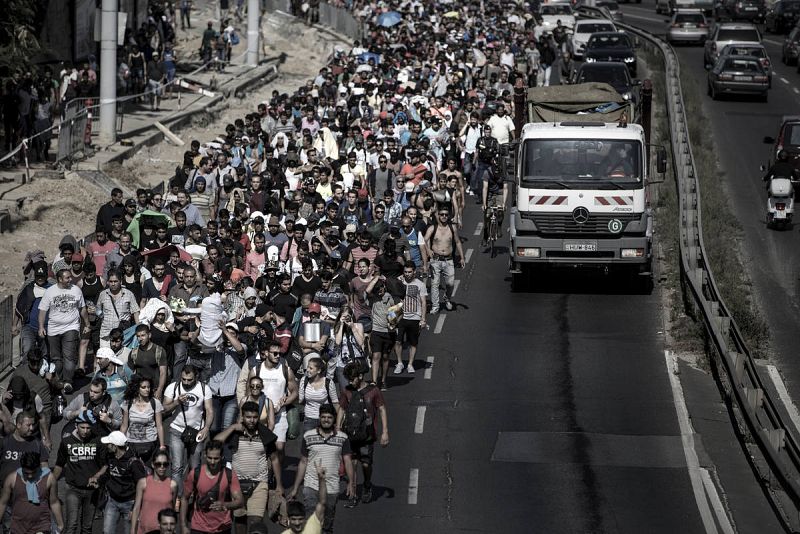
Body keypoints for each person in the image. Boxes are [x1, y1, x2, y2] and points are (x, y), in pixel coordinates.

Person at [215, 402, 281, 534]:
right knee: (240, 522)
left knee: (256, 523)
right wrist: (233, 427)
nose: (252, 420)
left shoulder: (265, 435)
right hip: (237, 484)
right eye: (248, 417)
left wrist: (279, 485)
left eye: (255, 417)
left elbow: (274, 459)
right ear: (242, 416)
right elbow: (215, 442)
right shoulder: (235, 434)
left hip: (260, 484)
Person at [288, 404, 353, 532]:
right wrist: (295, 488)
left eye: (329, 417)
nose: (326, 420)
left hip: (332, 486)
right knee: (312, 520)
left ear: (334, 419)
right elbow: (303, 462)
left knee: (327, 523)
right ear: (319, 418)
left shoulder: (343, 438)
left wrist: (351, 483)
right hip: (311, 485)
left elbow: (347, 461)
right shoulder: (308, 436)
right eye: (323, 417)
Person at [163, 364, 214, 493]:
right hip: (177, 430)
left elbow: (209, 410)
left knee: (195, 467)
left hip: (197, 431)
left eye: (189, 380)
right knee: (176, 468)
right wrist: (176, 402)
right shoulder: (173, 387)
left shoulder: (204, 388)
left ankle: (193, 495)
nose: (186, 382)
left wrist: (206, 428)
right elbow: (164, 409)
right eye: (183, 379)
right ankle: (178, 497)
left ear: (196, 377)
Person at [246, 340, 298, 458]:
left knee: (279, 448)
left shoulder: (286, 370)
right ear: (266, 353)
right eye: (275, 353)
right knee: (261, 449)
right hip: (260, 416)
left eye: (279, 353)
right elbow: (248, 394)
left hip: (280, 414)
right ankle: (266, 469)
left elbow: (295, 393)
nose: (278, 356)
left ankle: (277, 469)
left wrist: (282, 404)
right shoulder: (256, 371)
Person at [53, 411, 103, 534]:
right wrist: (51, 483)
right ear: (76, 426)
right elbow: (59, 465)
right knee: (71, 525)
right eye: (82, 427)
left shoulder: (98, 441)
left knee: (87, 527)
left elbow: (105, 465)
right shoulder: (66, 442)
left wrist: (97, 476)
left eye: (88, 428)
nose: (85, 431)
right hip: (73, 488)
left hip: (92, 490)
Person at [38, 268, 90, 383]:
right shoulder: (50, 291)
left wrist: (87, 324)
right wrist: (41, 327)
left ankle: (68, 381)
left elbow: (82, 308)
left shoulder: (76, 290)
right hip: (53, 329)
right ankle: (59, 381)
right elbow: (42, 310)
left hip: (71, 327)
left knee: (69, 357)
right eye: (67, 278)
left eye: (70, 277)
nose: (70, 279)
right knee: (56, 358)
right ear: (60, 279)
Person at [181, 440, 243, 534]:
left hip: (223, 528)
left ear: (222, 457)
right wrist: (183, 525)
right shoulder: (195, 473)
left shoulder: (229, 475)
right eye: (210, 458)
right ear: (205, 455)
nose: (212, 462)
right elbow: (184, 498)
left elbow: (240, 501)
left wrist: (225, 505)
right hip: (199, 527)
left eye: (216, 458)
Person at [95, 431, 148, 534]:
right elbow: (108, 474)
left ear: (115, 446)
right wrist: (98, 481)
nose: (107, 446)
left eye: (109, 444)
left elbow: (142, 485)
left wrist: (135, 508)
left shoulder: (133, 463)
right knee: (107, 532)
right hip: (112, 501)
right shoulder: (110, 457)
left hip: (129, 503)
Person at [0, 451, 63, 534]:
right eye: (26, 473)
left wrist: (60, 524)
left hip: (42, 526)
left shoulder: (49, 478)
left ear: (39, 467)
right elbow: (3, 502)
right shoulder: (12, 478)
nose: (30, 476)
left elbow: (54, 502)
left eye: (33, 473)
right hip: (18, 527)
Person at [424, 206, 465, 313]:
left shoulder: (452, 228)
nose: (444, 216)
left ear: (449, 216)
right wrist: (428, 250)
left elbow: (457, 242)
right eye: (442, 214)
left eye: (446, 215)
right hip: (436, 260)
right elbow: (424, 240)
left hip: (449, 260)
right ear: (438, 215)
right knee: (435, 284)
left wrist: (462, 257)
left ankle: (447, 298)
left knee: (450, 284)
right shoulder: (432, 228)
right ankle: (435, 306)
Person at [121, 374, 166, 464]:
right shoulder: (128, 403)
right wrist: (120, 443)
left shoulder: (155, 403)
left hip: (150, 443)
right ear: (137, 388)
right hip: (132, 444)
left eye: (148, 387)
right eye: (143, 387)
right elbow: (124, 426)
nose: (147, 389)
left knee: (149, 470)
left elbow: (159, 426)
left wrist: (162, 445)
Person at [130, 450, 178, 534]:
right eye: (158, 464)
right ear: (152, 464)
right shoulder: (143, 483)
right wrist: (133, 530)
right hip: (144, 530)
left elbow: (172, 510)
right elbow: (136, 508)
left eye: (165, 464)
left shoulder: (172, 485)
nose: (162, 467)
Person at [394, 262, 427, 374]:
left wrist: (423, 319)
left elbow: (423, 302)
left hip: (415, 318)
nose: (407, 274)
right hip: (401, 317)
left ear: (414, 272)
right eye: (405, 272)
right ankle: (399, 363)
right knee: (398, 341)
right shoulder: (399, 282)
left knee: (413, 343)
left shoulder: (420, 284)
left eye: (409, 272)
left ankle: (410, 364)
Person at [282, 462, 327, 534]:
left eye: (300, 519)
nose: (297, 523)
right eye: (293, 519)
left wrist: (321, 479)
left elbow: (322, 502)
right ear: (288, 520)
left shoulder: (312, 528)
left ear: (305, 519)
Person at [297, 358, 339, 433]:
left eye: (311, 368)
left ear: (319, 371)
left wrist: (338, 423)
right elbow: (300, 400)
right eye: (307, 367)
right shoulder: (304, 381)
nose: (307, 370)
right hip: (309, 418)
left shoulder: (328, 383)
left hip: (326, 419)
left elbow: (335, 403)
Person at [481, 145, 509, 248]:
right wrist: (484, 204)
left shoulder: (504, 173)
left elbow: (505, 188)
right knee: (487, 215)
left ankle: (499, 226)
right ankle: (485, 234)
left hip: (500, 192)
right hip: (490, 193)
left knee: (500, 210)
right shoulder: (487, 172)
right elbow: (485, 188)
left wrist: (504, 204)